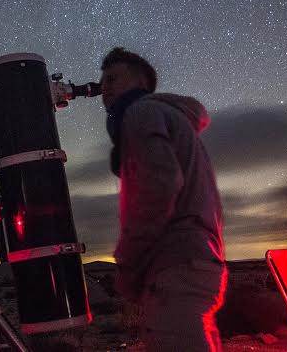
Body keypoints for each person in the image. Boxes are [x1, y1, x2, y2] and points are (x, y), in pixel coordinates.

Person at [100, 47, 226, 352]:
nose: (104, 89)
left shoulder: (140, 112)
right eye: (102, 82)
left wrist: (128, 262)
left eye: (112, 79)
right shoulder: (174, 120)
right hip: (199, 264)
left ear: (141, 81)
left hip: (175, 268)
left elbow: (157, 187)